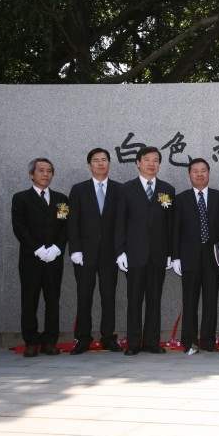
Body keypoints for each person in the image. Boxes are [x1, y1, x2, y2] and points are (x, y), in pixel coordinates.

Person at [114, 146, 176, 355]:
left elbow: (170, 224)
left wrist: (170, 253)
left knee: (154, 300)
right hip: (134, 254)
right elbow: (119, 223)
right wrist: (120, 251)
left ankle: (152, 342)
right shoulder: (125, 189)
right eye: (147, 159)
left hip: (158, 255)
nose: (152, 163)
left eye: (156, 160)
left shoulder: (167, 189)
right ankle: (133, 343)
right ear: (138, 163)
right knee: (134, 300)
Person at [11, 158, 68, 357]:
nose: (45, 174)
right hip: (30, 259)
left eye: (49, 171)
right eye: (41, 170)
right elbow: (19, 227)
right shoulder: (20, 198)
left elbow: (65, 226)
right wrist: (37, 249)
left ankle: (50, 341)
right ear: (31, 174)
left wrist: (57, 248)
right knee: (29, 300)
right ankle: (31, 341)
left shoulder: (62, 199)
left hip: (54, 259)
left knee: (53, 301)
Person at [67, 148, 122, 355]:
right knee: (84, 296)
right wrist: (75, 250)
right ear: (89, 165)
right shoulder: (79, 190)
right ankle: (83, 338)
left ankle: (108, 337)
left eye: (104, 160)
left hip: (110, 254)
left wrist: (121, 250)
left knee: (109, 296)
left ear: (109, 163)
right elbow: (72, 222)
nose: (100, 163)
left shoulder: (119, 189)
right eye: (96, 160)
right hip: (85, 254)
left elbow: (122, 223)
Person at [172, 158, 219, 355]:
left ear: (209, 173)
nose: (200, 174)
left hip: (213, 257)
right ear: (189, 174)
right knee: (190, 300)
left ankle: (208, 341)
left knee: (211, 300)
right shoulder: (180, 199)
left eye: (203, 170)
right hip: (189, 257)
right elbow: (175, 230)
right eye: (195, 171)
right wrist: (175, 257)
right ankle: (189, 341)